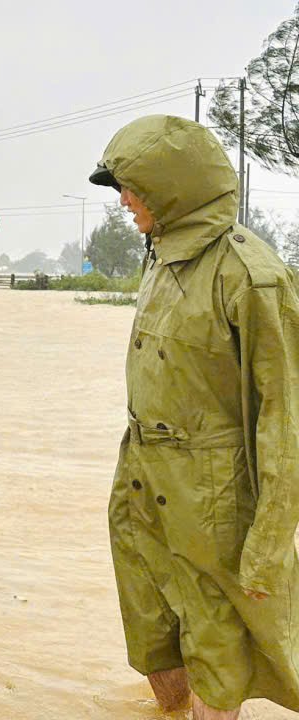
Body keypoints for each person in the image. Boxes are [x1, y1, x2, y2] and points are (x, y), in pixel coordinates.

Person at [91, 115, 299, 719]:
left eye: (132, 188)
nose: (125, 202)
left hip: (213, 496)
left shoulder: (251, 275)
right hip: (141, 478)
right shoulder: (161, 258)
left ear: (171, 186)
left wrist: (267, 544)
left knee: (216, 642)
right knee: (150, 625)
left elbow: (285, 416)